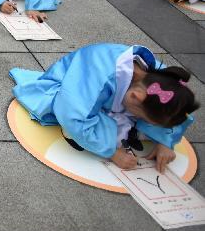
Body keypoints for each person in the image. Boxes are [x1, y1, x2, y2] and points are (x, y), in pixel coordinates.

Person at [10, 44, 197, 172]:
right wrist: (112, 152)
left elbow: (177, 111)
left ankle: (130, 120)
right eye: (142, 116)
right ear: (135, 97)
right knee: (76, 123)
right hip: (72, 85)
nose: (141, 119)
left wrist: (166, 141)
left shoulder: (163, 78)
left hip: (105, 95)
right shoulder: (98, 78)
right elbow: (73, 115)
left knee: (154, 121)